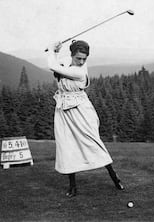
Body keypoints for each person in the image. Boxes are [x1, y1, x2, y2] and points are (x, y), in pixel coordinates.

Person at [46, 40, 125, 197]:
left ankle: (115, 178)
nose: (81, 62)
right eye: (78, 58)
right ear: (72, 55)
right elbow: (59, 62)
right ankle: (73, 187)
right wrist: (55, 52)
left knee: (93, 142)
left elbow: (53, 66)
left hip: (81, 110)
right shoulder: (67, 62)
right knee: (67, 146)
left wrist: (50, 51)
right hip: (64, 110)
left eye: (84, 59)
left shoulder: (80, 72)